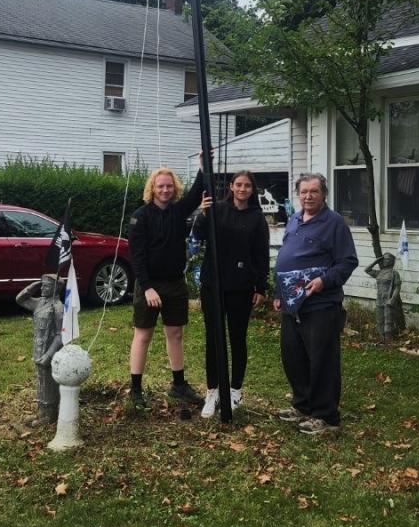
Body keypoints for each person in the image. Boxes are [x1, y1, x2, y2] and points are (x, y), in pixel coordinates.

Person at [273, 172, 358, 435]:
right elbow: (285, 258)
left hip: (321, 304)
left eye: (314, 191)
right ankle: (302, 405)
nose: (308, 196)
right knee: (293, 356)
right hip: (292, 303)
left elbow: (347, 261)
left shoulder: (334, 223)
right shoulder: (294, 219)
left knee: (323, 361)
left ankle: (325, 416)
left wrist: (324, 281)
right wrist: (279, 293)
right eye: (304, 192)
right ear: (298, 194)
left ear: (324, 194)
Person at [127, 164, 206, 415]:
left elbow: (196, 194)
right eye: (160, 186)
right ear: (153, 188)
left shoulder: (179, 211)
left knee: (175, 333)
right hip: (149, 285)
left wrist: (202, 167)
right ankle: (135, 389)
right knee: (143, 335)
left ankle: (178, 385)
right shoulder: (140, 216)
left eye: (169, 186)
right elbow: (137, 256)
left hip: (174, 284)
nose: (165, 190)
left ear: (174, 188)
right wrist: (147, 287)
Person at [195, 170, 270, 418]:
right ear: (231, 186)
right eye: (238, 184)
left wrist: (261, 286)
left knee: (237, 338)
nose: (242, 189)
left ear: (252, 190)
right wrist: (203, 214)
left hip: (241, 286)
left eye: (247, 185)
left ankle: (235, 389)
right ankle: (212, 391)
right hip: (213, 285)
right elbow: (199, 235)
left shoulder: (257, 218)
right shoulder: (217, 209)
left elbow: (261, 254)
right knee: (213, 338)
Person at [15, 274, 63, 424]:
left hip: (49, 352)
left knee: (49, 383)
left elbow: (60, 335)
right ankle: (42, 412)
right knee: (41, 381)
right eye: (42, 285)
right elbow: (20, 299)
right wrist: (34, 285)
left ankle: (49, 415)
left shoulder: (58, 308)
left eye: (46, 286)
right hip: (38, 349)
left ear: (55, 289)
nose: (42, 288)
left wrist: (49, 355)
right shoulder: (40, 303)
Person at [365, 253, 405, 340]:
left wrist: (392, 299)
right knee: (380, 319)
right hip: (379, 299)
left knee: (389, 321)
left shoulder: (394, 273)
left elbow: (397, 287)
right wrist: (376, 261)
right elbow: (367, 270)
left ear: (391, 261)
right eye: (384, 259)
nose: (384, 261)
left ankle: (389, 340)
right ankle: (381, 338)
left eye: (387, 259)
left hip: (388, 299)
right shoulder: (380, 273)